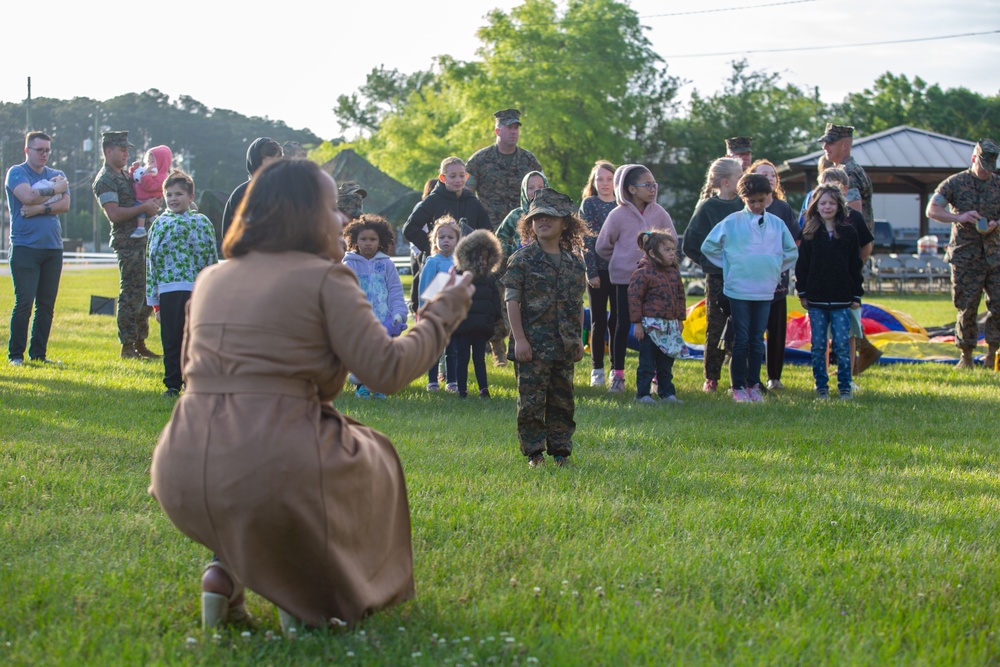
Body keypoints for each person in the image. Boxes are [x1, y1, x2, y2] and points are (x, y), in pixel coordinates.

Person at [148, 159, 474, 634]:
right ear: (305, 214)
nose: (342, 220)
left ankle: (224, 572)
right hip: (272, 461)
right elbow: (386, 371)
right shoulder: (326, 278)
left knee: (254, 477)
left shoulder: (212, 278)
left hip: (178, 466)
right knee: (372, 455)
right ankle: (306, 597)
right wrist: (442, 314)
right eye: (331, 207)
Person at [502, 188, 587, 468]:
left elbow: (578, 305)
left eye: (550, 216)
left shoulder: (575, 264)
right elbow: (512, 301)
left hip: (563, 345)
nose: (543, 222)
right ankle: (534, 453)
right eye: (537, 217)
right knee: (531, 402)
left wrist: (578, 340)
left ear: (565, 223)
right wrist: (519, 340)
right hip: (533, 346)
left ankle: (561, 452)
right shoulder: (522, 260)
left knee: (563, 401)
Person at [701, 173, 798, 403]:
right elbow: (709, 247)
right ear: (743, 198)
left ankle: (754, 384)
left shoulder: (777, 224)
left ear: (769, 198)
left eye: (761, 200)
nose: (756, 205)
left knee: (757, 339)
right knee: (741, 339)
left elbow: (791, 252)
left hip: (765, 290)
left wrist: (774, 268)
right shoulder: (732, 221)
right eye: (751, 201)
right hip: (738, 290)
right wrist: (730, 265)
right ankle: (738, 387)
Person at [595, 164, 677, 394]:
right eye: (647, 185)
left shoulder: (659, 213)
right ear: (631, 188)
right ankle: (618, 376)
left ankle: (656, 376)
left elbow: (672, 241)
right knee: (621, 325)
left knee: (653, 327)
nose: (653, 189)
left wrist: (656, 262)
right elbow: (603, 246)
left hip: (654, 282)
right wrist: (622, 261)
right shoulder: (617, 215)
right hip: (624, 281)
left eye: (654, 185)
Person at [926, 138, 1000, 369]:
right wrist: (959, 217)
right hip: (965, 257)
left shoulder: (998, 184)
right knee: (967, 307)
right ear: (973, 159)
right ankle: (966, 357)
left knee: (998, 306)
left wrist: (997, 223)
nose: (986, 172)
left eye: (990, 167)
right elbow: (932, 209)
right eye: (982, 165)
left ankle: (991, 355)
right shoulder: (955, 183)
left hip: (995, 256)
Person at [145, 170, 219, 397]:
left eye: (179, 194)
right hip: (169, 291)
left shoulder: (202, 223)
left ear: (190, 196)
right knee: (171, 338)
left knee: (194, 338)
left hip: (196, 291)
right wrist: (154, 302)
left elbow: (211, 258)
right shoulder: (160, 224)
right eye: (168, 194)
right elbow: (151, 262)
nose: (173, 199)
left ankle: (194, 380)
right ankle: (172, 383)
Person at [92, 130, 162, 359]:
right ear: (108, 150)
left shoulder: (124, 175)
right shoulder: (105, 180)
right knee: (131, 294)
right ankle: (127, 346)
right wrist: (143, 208)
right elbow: (114, 214)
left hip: (143, 241)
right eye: (122, 149)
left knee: (145, 295)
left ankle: (140, 343)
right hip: (127, 244)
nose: (126, 153)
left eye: (127, 149)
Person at [5, 131, 71, 366]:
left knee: (46, 305)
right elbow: (26, 196)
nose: (44, 154)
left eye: (47, 150)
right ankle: (15, 355)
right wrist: (53, 191)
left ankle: (39, 355)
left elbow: (65, 205)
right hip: (25, 247)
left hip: (53, 248)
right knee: (24, 303)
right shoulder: (17, 172)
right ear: (27, 151)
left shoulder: (57, 174)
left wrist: (38, 208)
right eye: (39, 150)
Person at [682, 158, 746, 393]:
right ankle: (711, 376)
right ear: (726, 181)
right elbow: (690, 243)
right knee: (716, 327)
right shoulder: (709, 207)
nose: (743, 180)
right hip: (718, 278)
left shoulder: (745, 205)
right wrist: (710, 263)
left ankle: (742, 378)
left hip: (744, 275)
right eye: (740, 176)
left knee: (743, 326)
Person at [796, 185, 864, 399]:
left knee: (842, 345)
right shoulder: (809, 232)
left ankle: (845, 385)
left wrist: (855, 294)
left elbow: (855, 265)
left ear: (839, 206)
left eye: (832, 203)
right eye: (823, 203)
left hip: (842, 300)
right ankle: (821, 385)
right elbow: (802, 266)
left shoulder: (849, 233)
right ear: (816, 205)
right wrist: (803, 292)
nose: (827, 207)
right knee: (818, 345)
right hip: (816, 300)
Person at [817, 167, 879, 379]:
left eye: (835, 187)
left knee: (850, 332)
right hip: (821, 284)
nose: (829, 193)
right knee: (821, 334)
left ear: (844, 189)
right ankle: (822, 375)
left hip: (846, 284)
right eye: (824, 186)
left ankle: (849, 374)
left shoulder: (854, 218)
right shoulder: (813, 217)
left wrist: (852, 266)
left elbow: (866, 246)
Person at [341, 214, 409, 399]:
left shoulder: (387, 264)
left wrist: (398, 314)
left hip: (383, 320)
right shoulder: (348, 264)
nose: (368, 243)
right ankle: (362, 386)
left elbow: (395, 290)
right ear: (355, 240)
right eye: (363, 239)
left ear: (380, 240)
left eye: (373, 239)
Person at [749, 158, 801, 391]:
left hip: (777, 279)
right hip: (749, 280)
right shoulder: (745, 209)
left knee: (776, 328)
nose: (769, 178)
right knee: (751, 329)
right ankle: (750, 376)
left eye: (772, 175)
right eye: (763, 174)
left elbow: (795, 242)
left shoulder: (783, 208)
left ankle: (774, 377)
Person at [493, 170, 549, 366]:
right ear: (524, 190)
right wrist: (515, 250)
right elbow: (498, 240)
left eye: (540, 187)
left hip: (547, 276)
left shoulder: (552, 214)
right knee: (518, 315)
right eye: (531, 187)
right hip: (520, 276)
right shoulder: (516, 215)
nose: (535, 191)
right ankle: (517, 355)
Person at [628, 231, 686, 404]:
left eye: (673, 250)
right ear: (653, 253)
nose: (671, 253)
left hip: (669, 327)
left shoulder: (674, 273)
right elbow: (634, 298)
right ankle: (643, 394)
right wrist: (637, 323)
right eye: (667, 249)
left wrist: (680, 319)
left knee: (666, 364)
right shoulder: (642, 273)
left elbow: (680, 296)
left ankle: (667, 393)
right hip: (650, 327)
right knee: (646, 363)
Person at [465, 109, 543, 228]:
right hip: (489, 228)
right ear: (497, 131)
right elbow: (467, 195)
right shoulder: (479, 160)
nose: (513, 132)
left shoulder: (529, 160)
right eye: (509, 127)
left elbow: (543, 194)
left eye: (516, 128)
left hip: (522, 229)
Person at [452, 230, 503, 398]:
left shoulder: (489, 278)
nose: (483, 261)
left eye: (486, 257)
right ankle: (462, 390)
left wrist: (494, 316)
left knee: (479, 359)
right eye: (479, 257)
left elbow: (496, 299)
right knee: (463, 358)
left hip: (481, 326)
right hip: (463, 325)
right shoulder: (460, 275)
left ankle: (484, 389)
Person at [580, 160, 617, 387]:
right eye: (600, 179)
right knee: (598, 321)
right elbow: (586, 239)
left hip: (620, 271)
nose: (605, 183)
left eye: (609, 179)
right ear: (593, 183)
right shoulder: (589, 204)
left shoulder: (624, 204)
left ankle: (616, 370)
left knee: (618, 321)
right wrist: (591, 272)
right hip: (597, 271)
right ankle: (597, 370)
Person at [417, 216, 463, 392]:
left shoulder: (458, 263)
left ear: (457, 241)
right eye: (441, 237)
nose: (445, 240)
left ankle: (452, 381)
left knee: (452, 348)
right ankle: (432, 381)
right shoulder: (432, 262)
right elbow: (425, 289)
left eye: (450, 237)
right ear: (435, 240)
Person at [220, 137, 282, 242]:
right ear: (256, 164)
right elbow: (228, 233)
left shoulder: (289, 192)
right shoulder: (241, 194)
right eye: (268, 168)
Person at [820, 123, 874, 231]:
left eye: (830, 143)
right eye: (824, 143)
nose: (824, 147)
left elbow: (854, 210)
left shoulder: (848, 172)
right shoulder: (843, 170)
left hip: (851, 240)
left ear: (844, 146)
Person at [128, 145, 173, 239]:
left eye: (153, 162)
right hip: (142, 198)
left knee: (139, 208)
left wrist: (146, 175)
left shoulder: (162, 176)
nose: (149, 164)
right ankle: (153, 218)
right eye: (148, 161)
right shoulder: (147, 172)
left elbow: (149, 186)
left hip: (146, 199)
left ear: (161, 163)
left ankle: (140, 228)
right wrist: (134, 170)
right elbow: (137, 179)